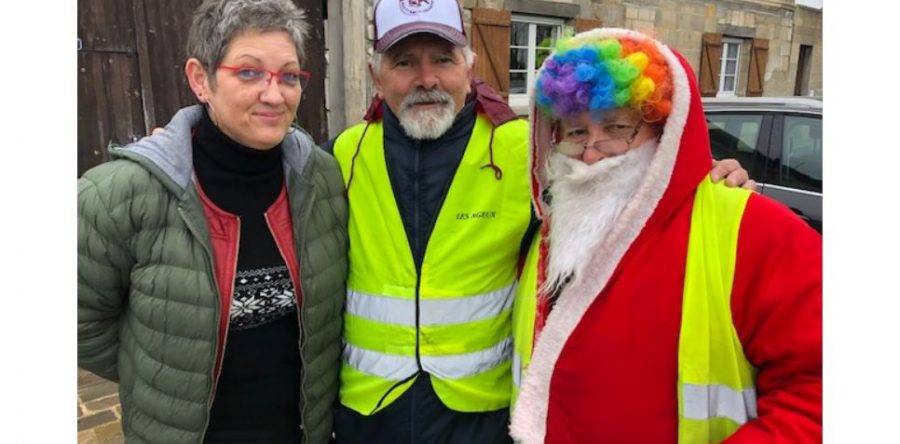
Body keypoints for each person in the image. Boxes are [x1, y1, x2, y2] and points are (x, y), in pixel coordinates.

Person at [326, 1, 753, 442]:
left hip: (481, 413)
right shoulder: (342, 155)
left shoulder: (525, 149)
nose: (427, 78)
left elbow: (619, 183)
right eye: (404, 62)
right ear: (377, 77)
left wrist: (707, 175)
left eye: (442, 59)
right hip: (369, 412)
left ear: (469, 66)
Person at [508, 28, 822, 443]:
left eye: (617, 127)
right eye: (577, 133)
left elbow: (820, 393)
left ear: (665, 130)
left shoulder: (758, 230)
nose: (590, 153)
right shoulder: (550, 231)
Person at [77, 0, 347, 442]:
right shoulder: (120, 195)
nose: (275, 94)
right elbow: (76, 319)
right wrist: (158, 368)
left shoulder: (322, 178)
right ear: (200, 79)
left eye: (289, 75)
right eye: (249, 72)